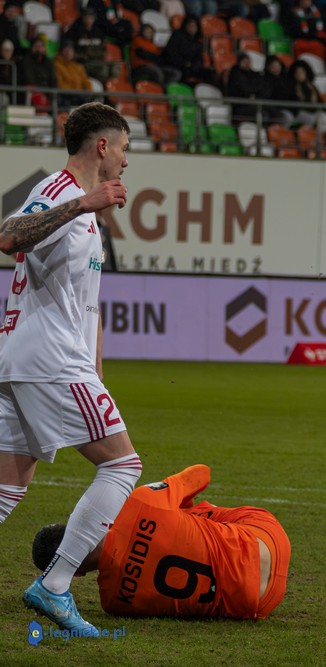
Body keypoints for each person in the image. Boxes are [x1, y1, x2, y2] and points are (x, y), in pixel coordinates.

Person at [0, 102, 142, 635]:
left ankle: (54, 586)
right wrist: (84, 202)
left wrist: (95, 363)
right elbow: (9, 235)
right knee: (122, 466)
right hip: (49, 359)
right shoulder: (61, 191)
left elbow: (85, 300)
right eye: (123, 148)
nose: (126, 160)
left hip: (35, 359)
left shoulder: (85, 209)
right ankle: (55, 585)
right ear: (101, 146)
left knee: (7, 487)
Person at [30, 464, 290, 619]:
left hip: (257, 603)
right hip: (269, 542)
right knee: (193, 514)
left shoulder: (114, 603)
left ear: (76, 574)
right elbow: (202, 474)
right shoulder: (140, 503)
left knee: (179, 524)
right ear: (79, 527)